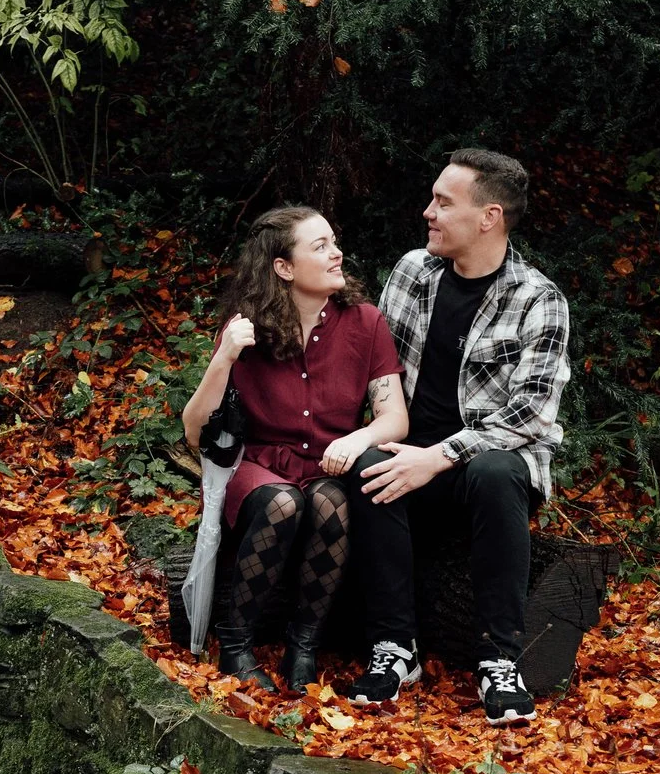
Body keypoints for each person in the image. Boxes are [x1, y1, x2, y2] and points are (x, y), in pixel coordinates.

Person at [347, 149, 571, 725]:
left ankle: (499, 660)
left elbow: (530, 415)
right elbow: (377, 374)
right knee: (372, 463)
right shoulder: (412, 272)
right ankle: (395, 649)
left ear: (488, 217)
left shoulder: (538, 300)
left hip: (482, 471)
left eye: (444, 203)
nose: (429, 213)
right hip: (407, 454)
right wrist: (384, 439)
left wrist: (439, 456)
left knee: (498, 470)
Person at [179, 206, 406, 692]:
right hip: (257, 466)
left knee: (330, 503)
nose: (336, 252)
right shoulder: (247, 328)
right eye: (319, 245)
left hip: (325, 464)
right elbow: (195, 431)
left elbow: (395, 418)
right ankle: (235, 645)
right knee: (284, 503)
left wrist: (358, 437)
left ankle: (303, 645)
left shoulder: (365, 323)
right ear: (283, 267)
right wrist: (224, 357)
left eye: (334, 240)